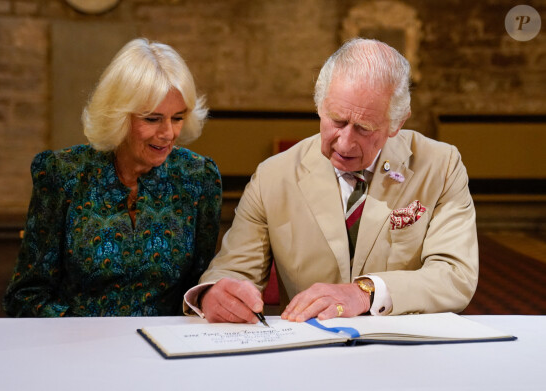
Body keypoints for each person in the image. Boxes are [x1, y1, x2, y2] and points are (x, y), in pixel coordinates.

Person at [184, 38, 478, 323]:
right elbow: (234, 270)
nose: (345, 143)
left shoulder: (440, 166)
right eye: (337, 121)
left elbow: (455, 276)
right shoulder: (274, 177)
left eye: (364, 128)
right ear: (319, 105)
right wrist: (213, 295)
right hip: (307, 351)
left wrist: (365, 293)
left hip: (405, 349)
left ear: (397, 123)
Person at [4, 38, 222, 317]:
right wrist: (78, 334)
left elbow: (198, 290)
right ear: (119, 116)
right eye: (152, 119)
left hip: (165, 350)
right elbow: (25, 295)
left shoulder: (198, 177)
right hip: (78, 347)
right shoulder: (63, 173)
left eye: (177, 118)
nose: (168, 133)